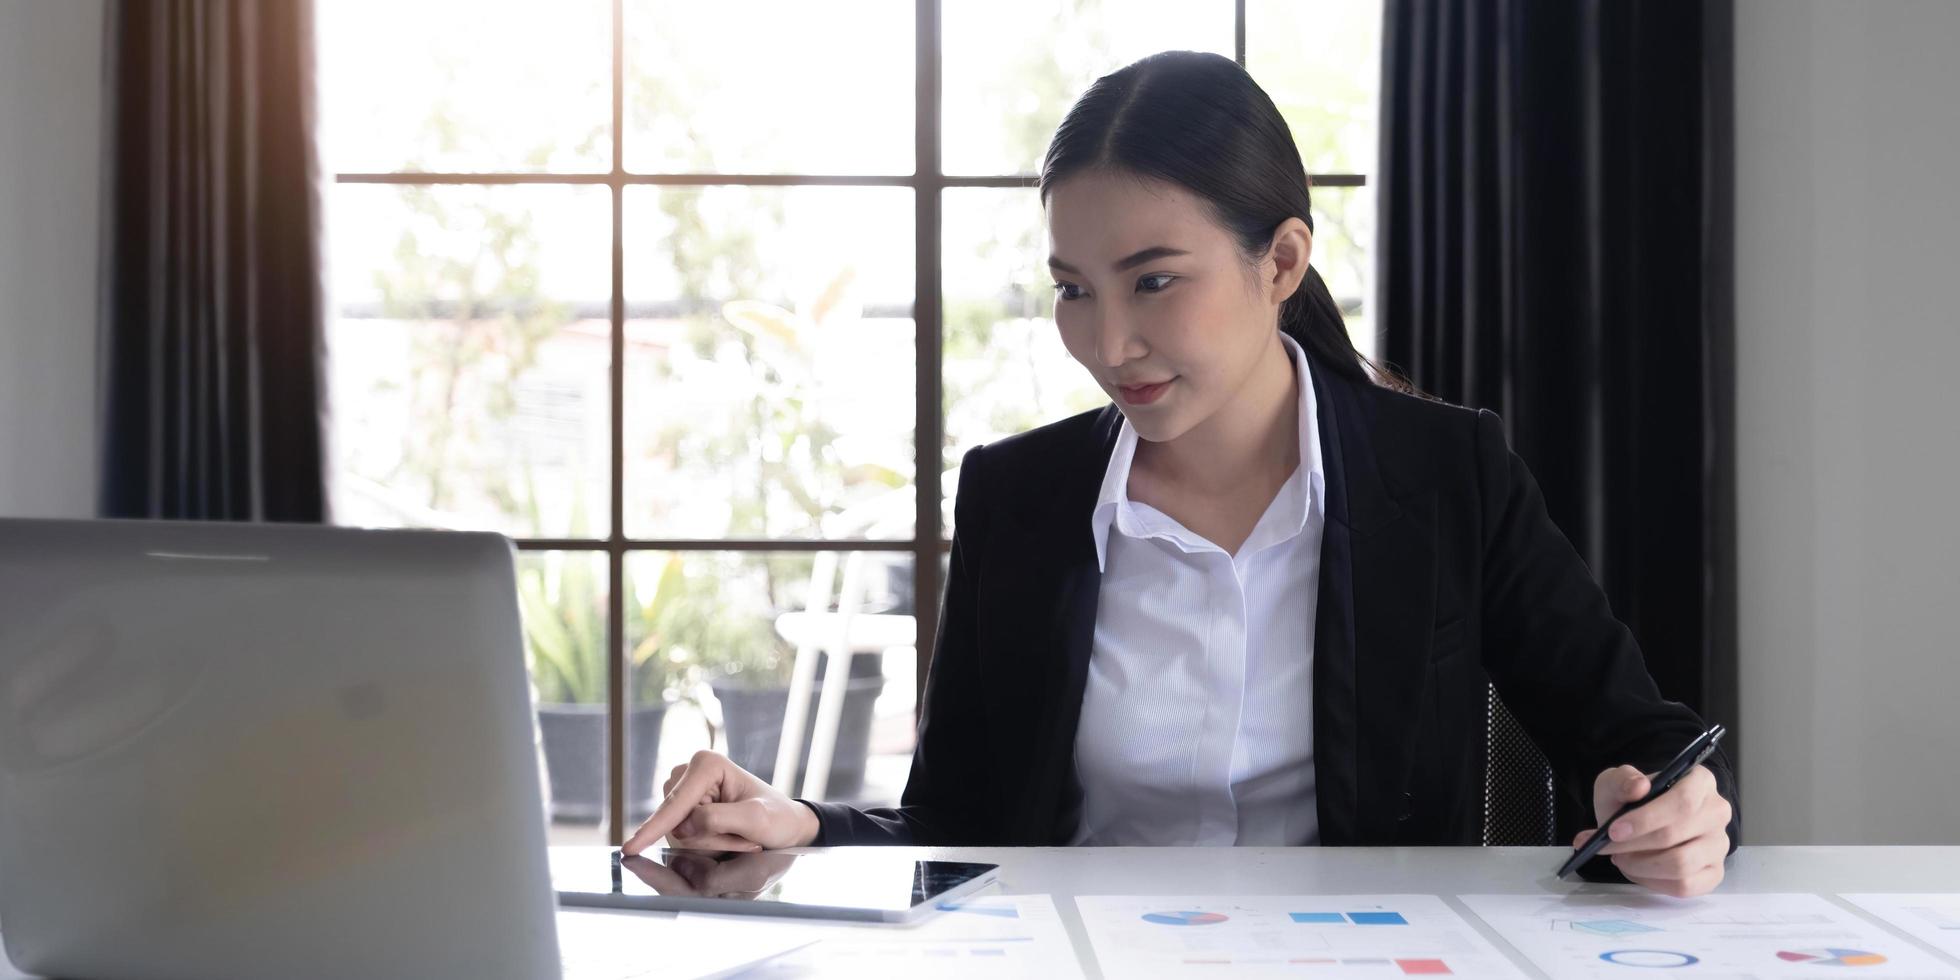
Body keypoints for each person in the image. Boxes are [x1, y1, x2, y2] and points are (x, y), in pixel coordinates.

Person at [623, 50, 1738, 898]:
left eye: (1153, 281)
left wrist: (1663, 811)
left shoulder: (1446, 475)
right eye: (1072, 289)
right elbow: (958, 826)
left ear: (1281, 261)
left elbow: (1630, 735)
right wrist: (803, 824)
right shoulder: (1022, 500)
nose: (1108, 343)